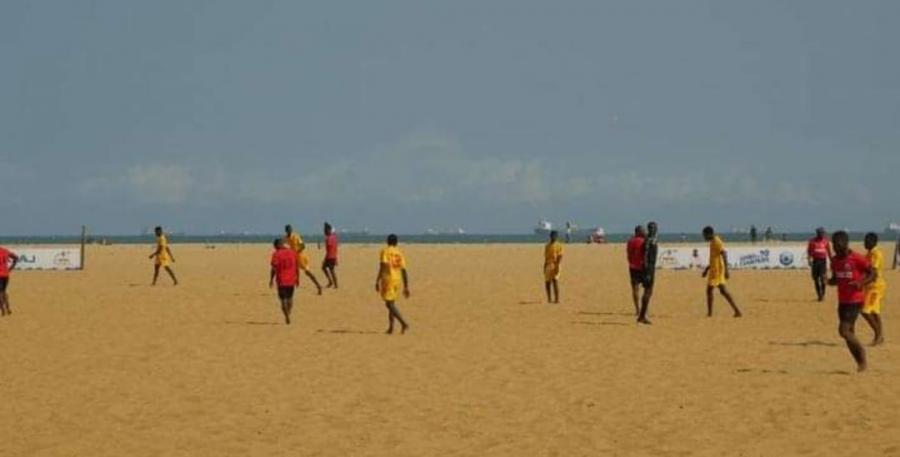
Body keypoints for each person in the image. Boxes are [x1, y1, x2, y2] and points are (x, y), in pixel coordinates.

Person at [828, 230, 875, 372]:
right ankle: (861, 363)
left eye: (838, 246)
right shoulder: (835, 261)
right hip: (842, 302)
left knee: (843, 331)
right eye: (834, 246)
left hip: (855, 300)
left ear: (845, 244)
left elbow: (873, 273)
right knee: (849, 334)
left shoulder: (857, 258)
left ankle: (862, 352)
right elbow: (836, 279)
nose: (836, 248)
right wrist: (828, 281)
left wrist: (862, 282)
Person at [702, 226, 742, 318]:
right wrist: (707, 269)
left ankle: (710, 314)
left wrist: (727, 270)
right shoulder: (712, 242)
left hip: (717, 271)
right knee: (723, 291)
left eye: (704, 235)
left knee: (710, 290)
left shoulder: (717, 241)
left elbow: (724, 253)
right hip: (714, 270)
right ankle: (737, 311)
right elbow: (713, 258)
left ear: (709, 234)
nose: (704, 237)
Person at [375, 234, 410, 334]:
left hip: (388, 279)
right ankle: (391, 328)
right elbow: (404, 270)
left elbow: (382, 266)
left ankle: (403, 323)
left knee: (389, 304)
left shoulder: (385, 251)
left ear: (387, 241)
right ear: (396, 242)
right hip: (397, 280)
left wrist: (377, 280)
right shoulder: (399, 253)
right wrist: (406, 286)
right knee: (392, 303)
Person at [861, 232, 886, 346]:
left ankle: (878, 334)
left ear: (872, 242)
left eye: (866, 241)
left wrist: (862, 282)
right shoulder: (869, 254)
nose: (864, 243)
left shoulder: (876, 254)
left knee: (865, 311)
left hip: (875, 287)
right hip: (870, 287)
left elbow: (874, 273)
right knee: (875, 312)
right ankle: (879, 336)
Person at [284, 225, 323, 295]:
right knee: (291, 272)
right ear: (286, 231)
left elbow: (303, 246)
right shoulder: (286, 238)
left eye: (290, 229)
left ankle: (318, 286)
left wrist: (296, 252)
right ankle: (292, 288)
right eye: (288, 230)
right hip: (293, 257)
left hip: (301, 257)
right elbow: (287, 246)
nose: (289, 231)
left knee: (307, 272)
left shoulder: (296, 236)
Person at [269, 239, 298, 325]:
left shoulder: (276, 254)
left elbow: (273, 268)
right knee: (290, 298)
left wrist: (271, 279)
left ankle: (286, 316)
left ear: (277, 245)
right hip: (291, 280)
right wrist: (297, 278)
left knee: (283, 300)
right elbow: (296, 267)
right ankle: (288, 313)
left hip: (281, 281)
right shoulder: (292, 252)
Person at [637, 221, 659, 324]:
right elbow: (645, 255)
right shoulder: (649, 240)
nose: (655, 230)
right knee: (648, 291)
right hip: (648, 268)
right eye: (654, 228)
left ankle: (642, 315)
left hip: (650, 267)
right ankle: (641, 316)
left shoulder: (652, 239)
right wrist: (647, 272)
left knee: (649, 292)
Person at [807, 227, 833, 302]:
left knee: (823, 278)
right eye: (820, 233)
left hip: (823, 261)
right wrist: (809, 259)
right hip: (815, 261)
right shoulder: (812, 241)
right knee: (815, 279)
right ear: (817, 233)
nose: (821, 234)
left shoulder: (826, 241)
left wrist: (832, 261)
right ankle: (819, 294)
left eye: (822, 233)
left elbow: (829, 252)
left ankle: (823, 293)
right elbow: (809, 251)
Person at [626, 225, 646, 316]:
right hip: (642, 267)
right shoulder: (644, 241)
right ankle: (642, 309)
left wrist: (630, 262)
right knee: (646, 289)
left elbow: (628, 254)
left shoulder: (630, 241)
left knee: (635, 289)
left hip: (633, 267)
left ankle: (637, 309)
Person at [543, 230, 563, 304]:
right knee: (547, 282)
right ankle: (549, 298)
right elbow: (546, 257)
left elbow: (560, 256)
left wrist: (557, 266)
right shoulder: (547, 246)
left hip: (555, 264)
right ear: (550, 236)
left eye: (555, 236)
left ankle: (557, 299)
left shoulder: (559, 245)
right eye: (553, 236)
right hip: (548, 264)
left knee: (555, 281)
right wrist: (544, 266)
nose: (554, 237)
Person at [0, 245, 20, 316]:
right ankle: (8, 309)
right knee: (3, 291)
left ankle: (3, 311)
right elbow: (16, 258)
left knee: (1, 293)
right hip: (6, 275)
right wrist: (11, 268)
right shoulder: (5, 250)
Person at [322, 222, 339, 289]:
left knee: (332, 271)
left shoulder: (329, 238)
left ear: (328, 230)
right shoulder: (334, 237)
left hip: (330, 257)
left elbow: (329, 250)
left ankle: (335, 285)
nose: (324, 232)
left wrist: (325, 258)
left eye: (325, 230)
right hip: (332, 256)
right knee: (323, 268)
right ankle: (331, 282)